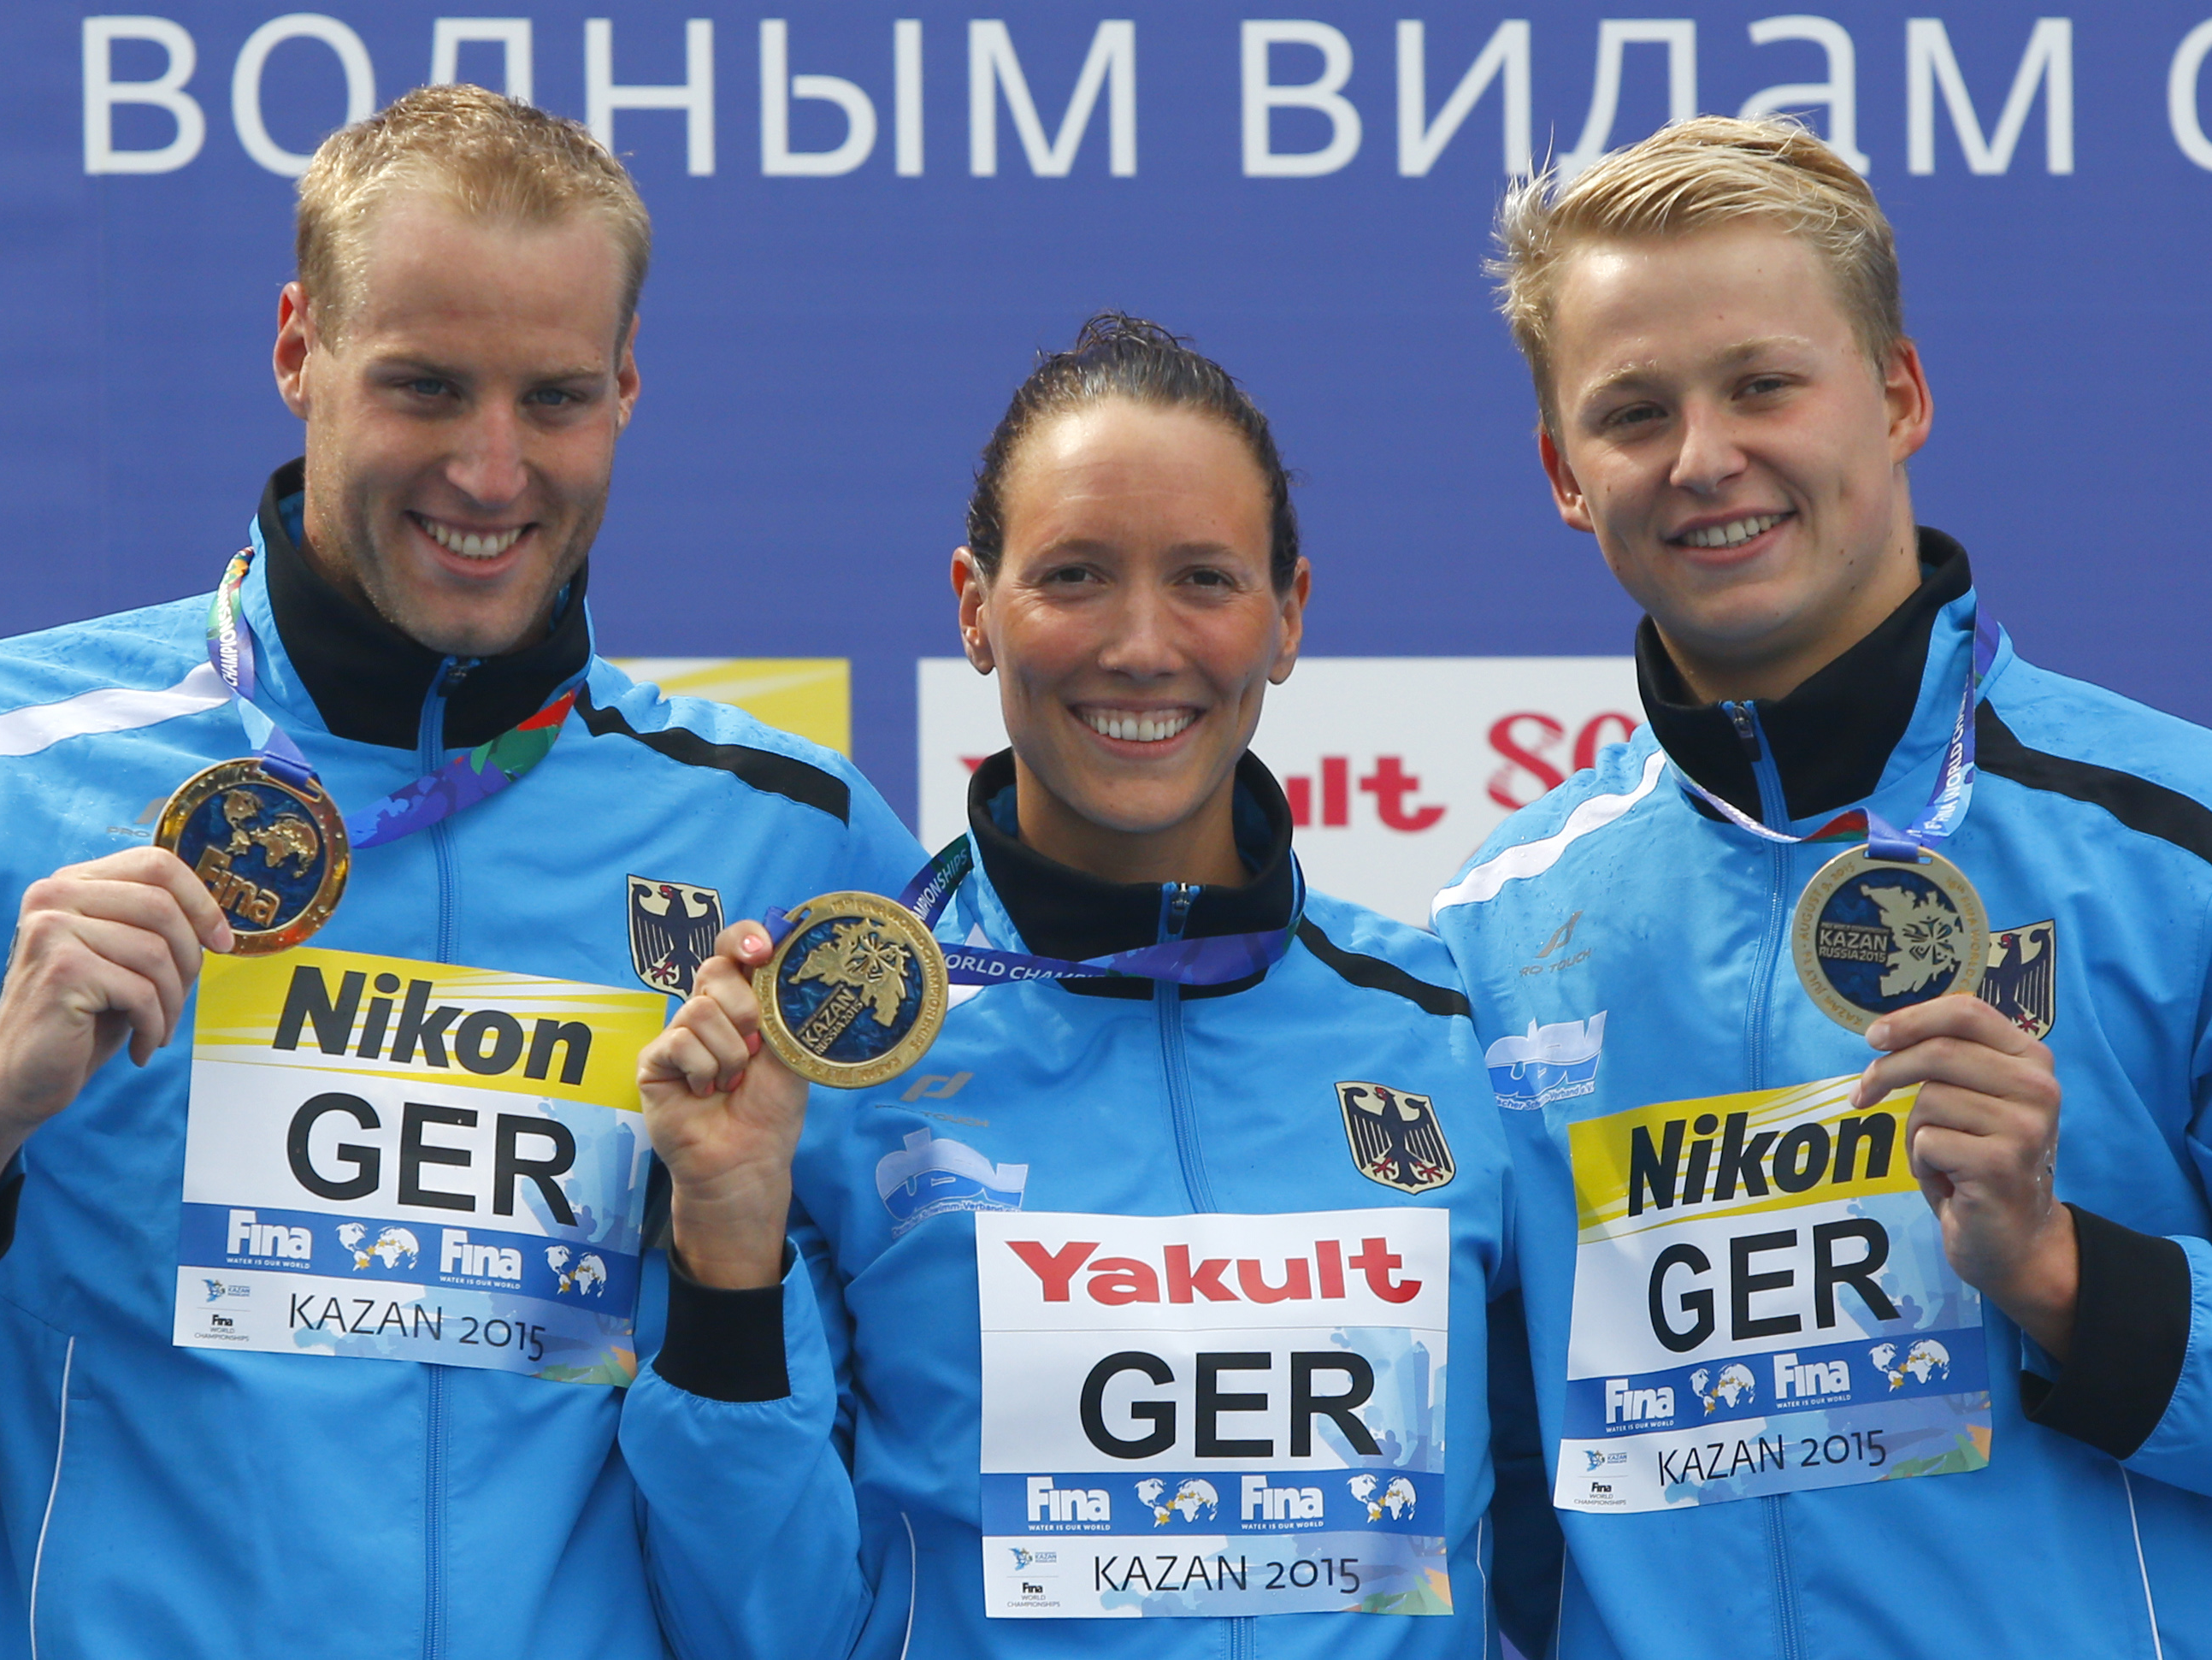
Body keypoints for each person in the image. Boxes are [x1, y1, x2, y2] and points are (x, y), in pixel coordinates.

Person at [0, 86, 922, 1659]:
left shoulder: (795, 843)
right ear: (297, 350)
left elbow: (899, 1474)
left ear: (627, 387)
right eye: (426, 386)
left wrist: (730, 1281)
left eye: (555, 397)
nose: (490, 468)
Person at [618, 315, 1522, 1657]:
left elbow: (1574, 1551)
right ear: (974, 609)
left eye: (1204, 578)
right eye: (1075, 576)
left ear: (1287, 615)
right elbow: (754, 1624)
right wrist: (728, 1239)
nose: (1141, 644)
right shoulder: (839, 1064)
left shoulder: (1441, 1025)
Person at [1432, 115, 2212, 1657]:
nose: (1703, 458)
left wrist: (2061, 1271)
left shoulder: (2172, 843)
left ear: (1899, 394)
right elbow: (1482, 1491)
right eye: (1633, 411)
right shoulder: (1491, 930)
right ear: (1564, 475)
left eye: (1762, 385)